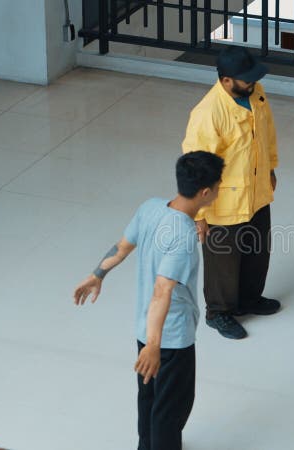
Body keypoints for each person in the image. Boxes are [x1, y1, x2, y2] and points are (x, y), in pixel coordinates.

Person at [72, 151, 225, 450]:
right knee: (173, 408)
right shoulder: (181, 236)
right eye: (218, 185)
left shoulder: (151, 208)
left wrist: (97, 274)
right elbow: (162, 291)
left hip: (146, 329)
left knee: (150, 398)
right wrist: (156, 347)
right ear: (206, 193)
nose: (220, 189)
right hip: (169, 338)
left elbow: (122, 246)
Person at [182, 45, 280, 340]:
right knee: (223, 263)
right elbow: (196, 169)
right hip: (224, 203)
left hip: (257, 193)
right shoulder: (208, 113)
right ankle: (219, 313)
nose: (251, 82)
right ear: (226, 80)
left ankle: (249, 299)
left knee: (257, 252)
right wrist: (198, 215)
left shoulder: (256, 94)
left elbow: (267, 134)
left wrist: (271, 169)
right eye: (245, 78)